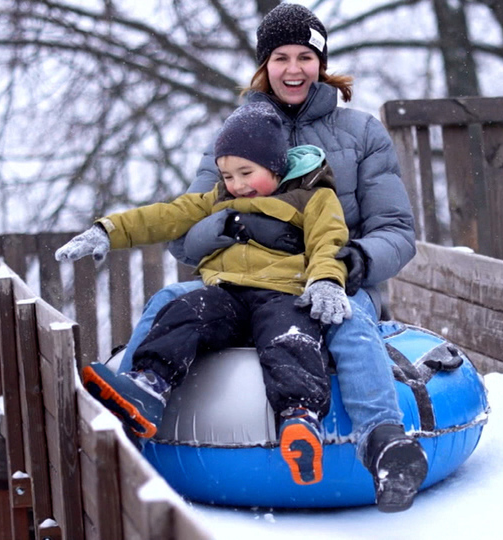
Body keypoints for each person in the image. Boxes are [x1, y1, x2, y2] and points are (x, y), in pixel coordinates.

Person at [119, 3, 428, 512]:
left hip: (332, 282)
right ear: (264, 64)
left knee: (348, 324)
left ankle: (384, 441)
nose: (293, 69)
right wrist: (234, 224)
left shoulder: (361, 133)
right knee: (170, 299)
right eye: (280, 57)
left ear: (321, 63)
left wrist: (348, 265)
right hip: (243, 286)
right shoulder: (236, 136)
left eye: (305, 56)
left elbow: (397, 230)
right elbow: (182, 235)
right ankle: (126, 417)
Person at [55, 102, 353, 486]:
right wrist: (108, 230)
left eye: (247, 172)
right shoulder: (216, 198)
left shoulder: (312, 196)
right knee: (184, 311)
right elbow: (165, 215)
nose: (237, 184)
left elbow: (329, 241)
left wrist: (326, 280)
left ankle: (300, 419)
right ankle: (149, 387)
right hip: (227, 295)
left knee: (291, 338)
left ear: (276, 167)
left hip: (284, 293)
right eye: (228, 175)